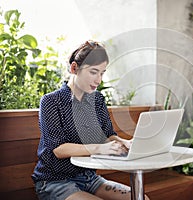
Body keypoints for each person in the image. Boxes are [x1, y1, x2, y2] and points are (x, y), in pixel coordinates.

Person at [32, 40, 149, 200]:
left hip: (90, 179)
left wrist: (124, 142)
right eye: (93, 72)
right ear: (74, 68)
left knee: (141, 198)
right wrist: (100, 148)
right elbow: (58, 150)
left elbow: (108, 135)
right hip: (55, 182)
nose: (98, 80)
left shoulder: (97, 100)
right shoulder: (51, 101)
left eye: (102, 73)